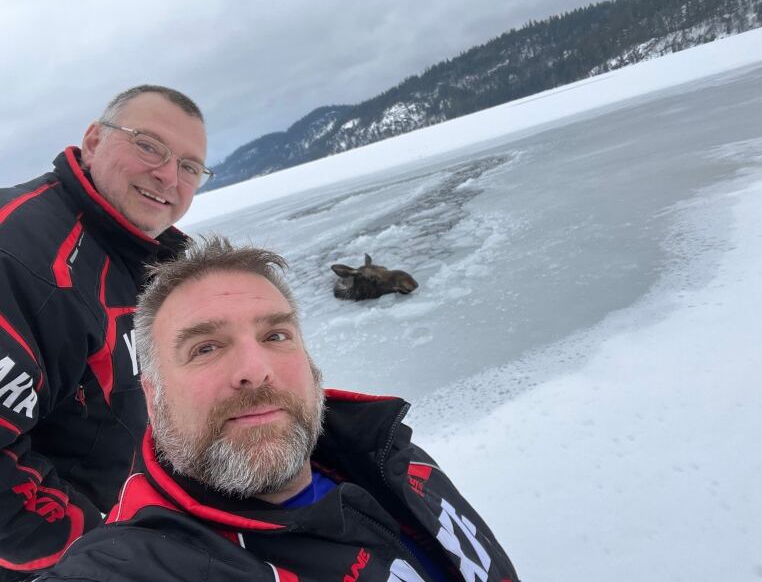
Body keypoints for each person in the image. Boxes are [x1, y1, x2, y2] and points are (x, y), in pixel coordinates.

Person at [36, 235, 519, 582]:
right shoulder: (139, 562)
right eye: (205, 347)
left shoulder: (389, 452)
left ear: (310, 364)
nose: (255, 368)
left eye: (275, 336)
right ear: (152, 395)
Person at [0, 85, 211, 580]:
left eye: (189, 167)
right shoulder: (23, 261)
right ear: (93, 141)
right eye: (148, 145)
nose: (168, 175)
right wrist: (104, 551)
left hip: (136, 511)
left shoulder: (133, 251)